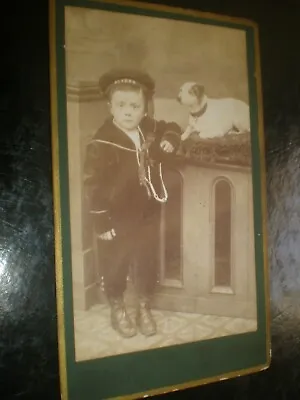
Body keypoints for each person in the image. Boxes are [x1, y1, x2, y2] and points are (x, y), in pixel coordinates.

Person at [84, 69, 182, 338]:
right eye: (121, 106)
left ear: (144, 109)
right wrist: (102, 220)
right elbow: (93, 184)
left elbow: (171, 127)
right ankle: (117, 306)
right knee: (116, 260)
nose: (128, 112)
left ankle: (143, 305)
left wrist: (170, 139)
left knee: (145, 258)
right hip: (117, 215)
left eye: (135, 106)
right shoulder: (101, 142)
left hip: (146, 210)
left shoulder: (147, 127)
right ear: (110, 107)